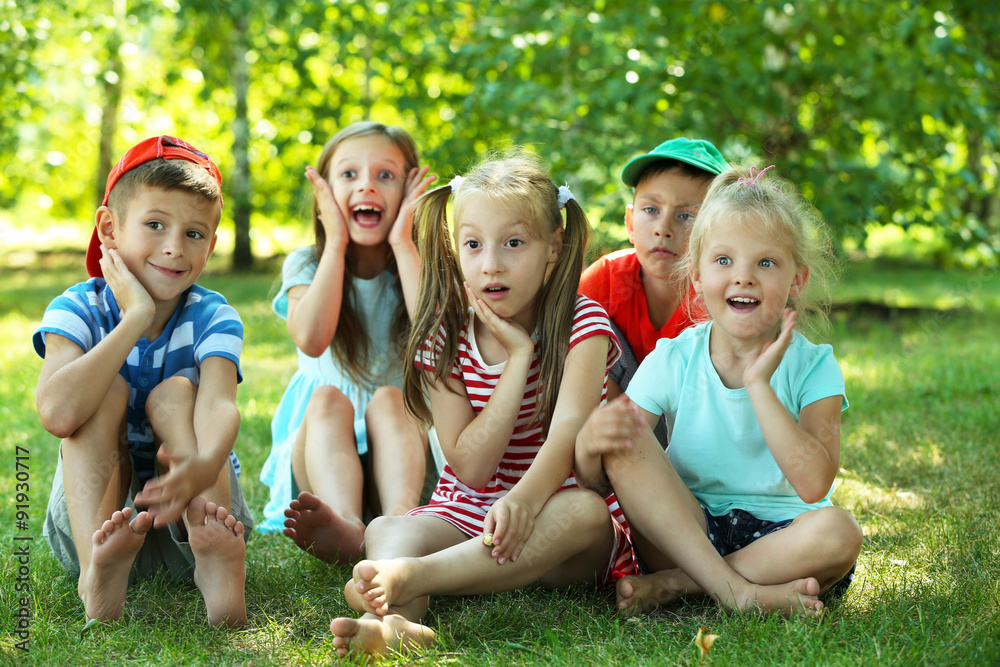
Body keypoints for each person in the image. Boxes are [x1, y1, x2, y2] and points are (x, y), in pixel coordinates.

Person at [329, 151, 637, 657]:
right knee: (387, 527)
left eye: (513, 243)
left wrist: (524, 500)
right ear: (455, 249)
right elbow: (470, 468)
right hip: (467, 513)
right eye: (473, 244)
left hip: (553, 521)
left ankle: (416, 577)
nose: (491, 262)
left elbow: (567, 434)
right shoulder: (443, 335)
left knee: (583, 512)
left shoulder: (584, 325)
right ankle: (392, 624)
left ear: (552, 250)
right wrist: (517, 359)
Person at [576, 164, 863, 618]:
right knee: (626, 432)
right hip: (686, 532)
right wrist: (592, 445)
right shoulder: (676, 357)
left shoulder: (815, 366)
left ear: (797, 280)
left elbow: (813, 484)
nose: (743, 277)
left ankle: (682, 586)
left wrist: (759, 386)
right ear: (697, 277)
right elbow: (610, 464)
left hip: (785, 541)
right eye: (724, 261)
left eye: (765, 263)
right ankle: (737, 591)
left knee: (840, 532)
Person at [34, 135, 252, 626]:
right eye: (155, 225)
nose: (175, 248)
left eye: (195, 234)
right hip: (98, 522)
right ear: (109, 229)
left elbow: (219, 403)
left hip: (199, 511)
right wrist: (135, 317)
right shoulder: (78, 308)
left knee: (177, 394)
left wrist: (203, 463)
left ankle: (215, 570)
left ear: (212, 245)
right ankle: (98, 573)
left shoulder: (213, 315)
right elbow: (57, 412)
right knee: (104, 390)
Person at [258, 122, 437, 564]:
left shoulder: (422, 264)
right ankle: (346, 523)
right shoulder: (309, 262)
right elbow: (313, 340)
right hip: (322, 459)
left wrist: (403, 242)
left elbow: (440, 339)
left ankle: (398, 524)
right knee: (325, 400)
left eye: (385, 175)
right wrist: (335, 241)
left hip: (400, 455)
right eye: (349, 175)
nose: (367, 187)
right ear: (325, 192)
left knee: (394, 398)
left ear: (410, 188)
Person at [580, 137, 728, 444]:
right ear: (630, 223)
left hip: (699, 433)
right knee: (584, 326)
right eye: (651, 209)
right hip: (618, 425)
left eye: (687, 215)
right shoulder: (605, 279)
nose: (664, 228)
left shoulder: (721, 295)